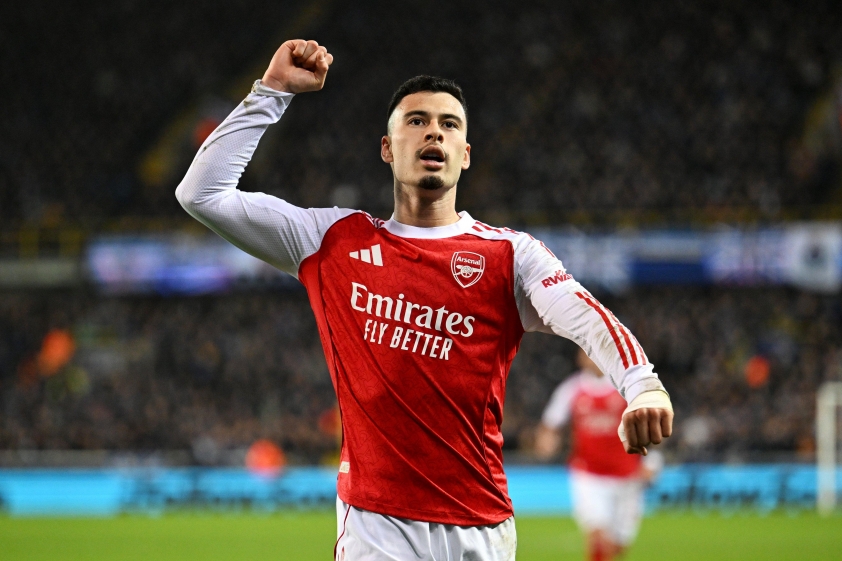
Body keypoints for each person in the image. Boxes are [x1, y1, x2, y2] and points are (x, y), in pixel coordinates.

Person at [176, 39, 674, 561]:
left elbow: (587, 317)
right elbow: (201, 194)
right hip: (374, 527)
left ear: (465, 155)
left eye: (449, 124)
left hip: (479, 529)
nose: (434, 131)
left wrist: (642, 385)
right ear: (387, 148)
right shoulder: (331, 240)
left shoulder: (510, 256)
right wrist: (272, 91)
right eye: (416, 121)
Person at [536, 348, 664, 561]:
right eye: (584, 352)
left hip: (627, 476)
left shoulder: (626, 387)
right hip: (589, 475)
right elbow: (550, 423)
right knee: (597, 537)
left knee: (618, 545)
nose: (588, 357)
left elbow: (652, 424)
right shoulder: (572, 388)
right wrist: (547, 440)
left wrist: (653, 462)